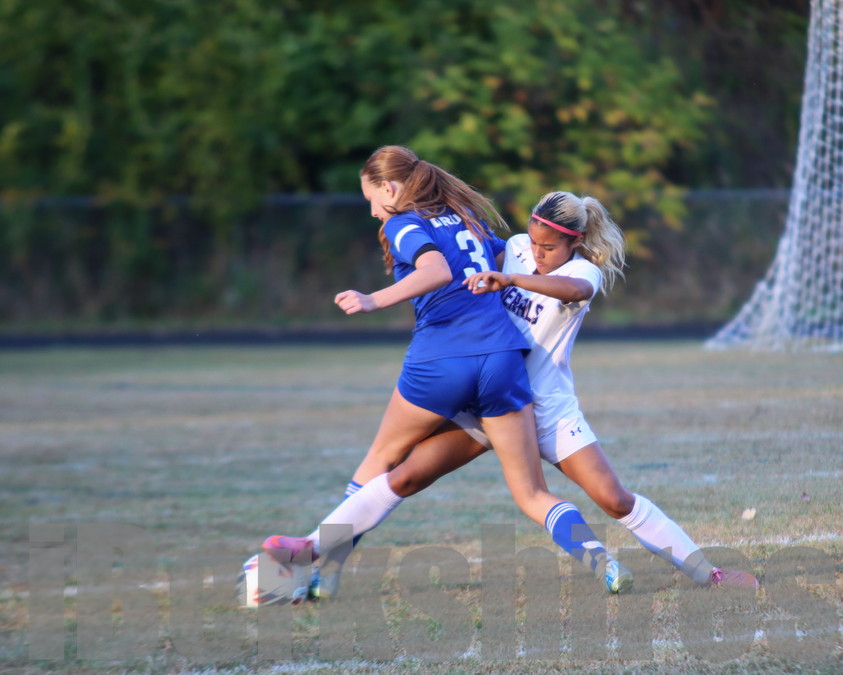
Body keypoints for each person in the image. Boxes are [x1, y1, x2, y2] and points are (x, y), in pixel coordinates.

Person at [307, 189, 756, 600]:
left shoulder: (582, 271)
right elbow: (467, 254)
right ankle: (315, 556)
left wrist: (512, 281)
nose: (538, 254)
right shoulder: (517, 247)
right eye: (535, 243)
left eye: (549, 248)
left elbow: (574, 290)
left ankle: (708, 573)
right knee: (404, 476)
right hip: (491, 401)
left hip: (546, 409)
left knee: (615, 499)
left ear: (574, 242)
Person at [261, 146, 632, 598]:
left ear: (389, 188)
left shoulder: (403, 222)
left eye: (372, 199)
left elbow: (435, 271)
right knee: (531, 494)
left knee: (384, 458)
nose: (373, 211)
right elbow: (504, 257)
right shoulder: (465, 215)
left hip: (441, 360)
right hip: (503, 361)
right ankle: (604, 563)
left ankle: (326, 567)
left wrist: (373, 299)